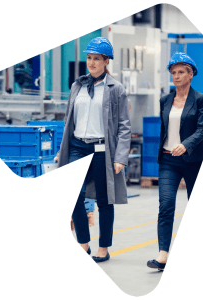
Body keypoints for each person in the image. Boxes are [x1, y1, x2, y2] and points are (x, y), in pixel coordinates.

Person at [54, 37, 131, 263]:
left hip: (102, 149)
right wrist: (63, 150)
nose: (92, 62)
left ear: (106, 61)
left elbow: (125, 125)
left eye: (97, 58)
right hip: (78, 146)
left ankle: (103, 248)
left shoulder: (116, 89)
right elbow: (69, 120)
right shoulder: (77, 85)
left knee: (104, 200)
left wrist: (121, 157)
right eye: (89, 58)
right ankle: (83, 243)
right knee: (72, 196)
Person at [147, 53, 203, 271]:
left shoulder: (201, 99)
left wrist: (186, 144)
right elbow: (166, 129)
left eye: (181, 72)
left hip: (194, 160)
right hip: (168, 160)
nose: (176, 76)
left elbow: (202, 129)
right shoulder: (165, 100)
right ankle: (163, 254)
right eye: (173, 72)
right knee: (166, 205)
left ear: (191, 74)